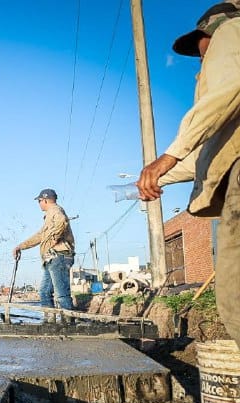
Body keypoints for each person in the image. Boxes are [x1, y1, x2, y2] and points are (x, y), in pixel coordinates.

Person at [135, 1, 240, 349]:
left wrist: (167, 156)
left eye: (199, 44)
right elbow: (205, 157)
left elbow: (227, 91)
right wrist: (158, 176)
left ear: (211, 30)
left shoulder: (230, 31)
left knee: (234, 296)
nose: (200, 56)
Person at [13, 189, 75, 316]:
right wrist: (21, 246)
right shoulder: (49, 216)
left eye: (39, 201)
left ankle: (68, 323)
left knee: (61, 293)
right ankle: (49, 320)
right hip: (51, 258)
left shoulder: (55, 210)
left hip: (59, 256)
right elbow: (40, 235)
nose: (39, 204)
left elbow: (62, 221)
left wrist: (54, 239)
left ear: (45, 200)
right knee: (44, 292)